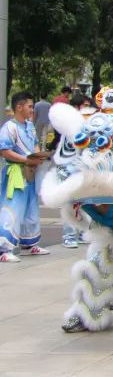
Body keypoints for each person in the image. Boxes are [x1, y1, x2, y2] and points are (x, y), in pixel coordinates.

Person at [0, 92, 47, 262]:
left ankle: (29, 244)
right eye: (30, 106)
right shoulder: (9, 127)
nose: (32, 109)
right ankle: (4, 249)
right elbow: (4, 151)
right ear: (19, 107)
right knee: (13, 208)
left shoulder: (29, 126)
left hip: (30, 171)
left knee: (31, 207)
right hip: (15, 172)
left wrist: (37, 156)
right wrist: (28, 159)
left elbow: (35, 145)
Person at [61, 94, 96, 248]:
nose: (88, 109)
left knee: (84, 202)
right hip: (69, 168)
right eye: (85, 105)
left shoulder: (88, 126)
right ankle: (69, 235)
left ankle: (82, 232)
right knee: (69, 203)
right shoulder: (69, 127)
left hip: (83, 169)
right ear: (76, 107)